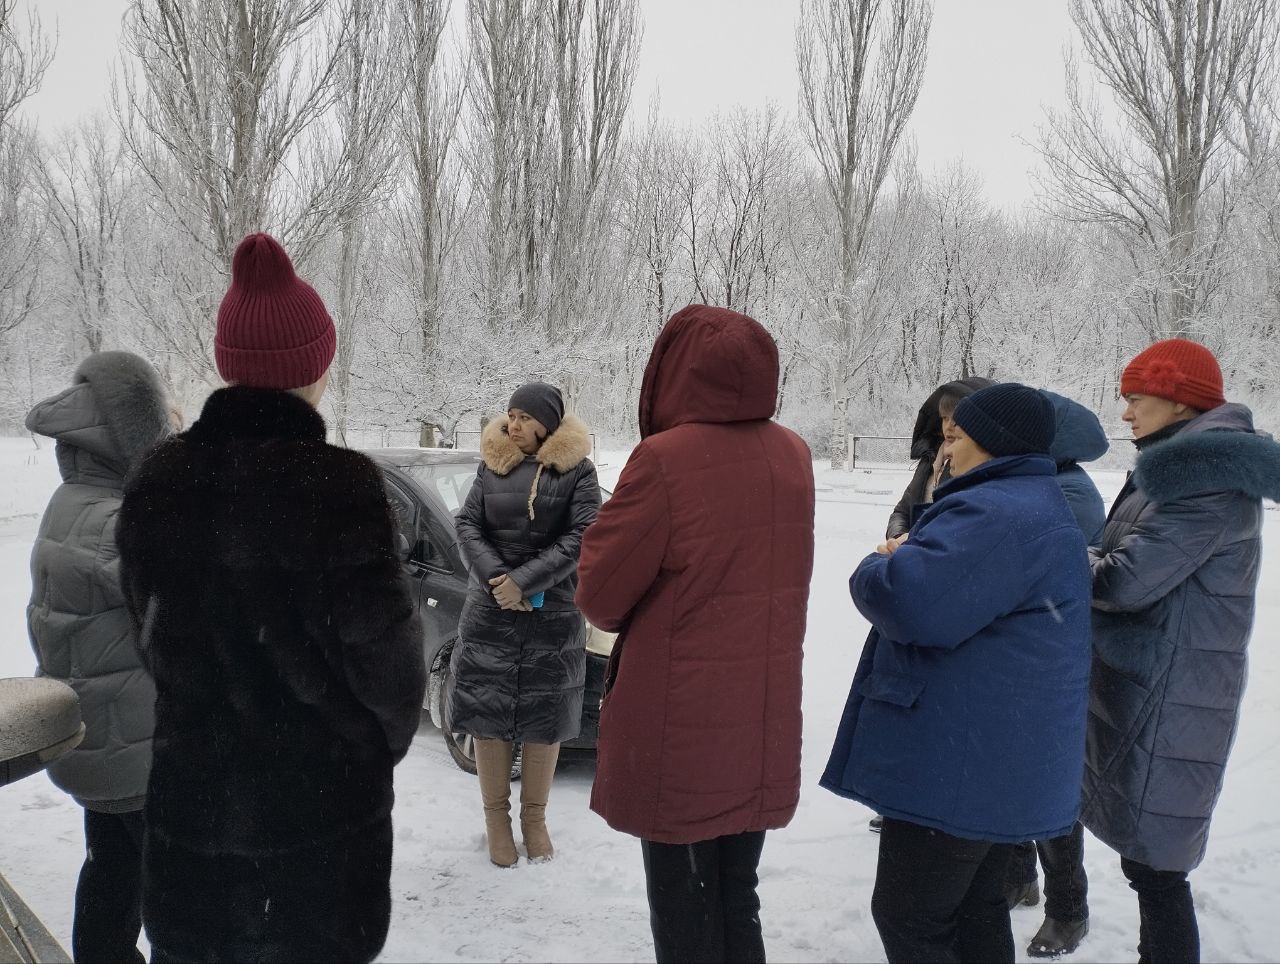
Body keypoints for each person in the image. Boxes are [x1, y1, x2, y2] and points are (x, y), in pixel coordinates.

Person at [117, 232, 426, 963]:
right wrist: (367, 747)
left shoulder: (157, 481)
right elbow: (390, 669)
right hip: (317, 832)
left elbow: (148, 633)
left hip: (194, 817)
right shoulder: (342, 488)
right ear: (314, 366)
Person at [576, 304, 815, 964]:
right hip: (758, 720)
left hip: (681, 726)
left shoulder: (664, 460)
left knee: (683, 908)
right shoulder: (793, 454)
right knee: (737, 894)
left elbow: (600, 595)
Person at [822, 383, 1092, 964]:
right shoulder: (1029, 503)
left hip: (960, 760)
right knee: (974, 909)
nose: (946, 451)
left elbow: (909, 604)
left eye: (955, 437)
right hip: (994, 752)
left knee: (910, 915)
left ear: (992, 443)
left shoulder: (995, 512)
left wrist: (879, 562)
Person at [1075, 338, 1280, 964]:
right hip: (1156, 682)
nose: (1127, 414)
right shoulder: (1173, 469)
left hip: (1170, 693)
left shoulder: (1202, 482)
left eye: (1137, 399)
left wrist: (1049, 550)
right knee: (1151, 865)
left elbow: (1123, 580)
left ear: (1179, 400)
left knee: (1157, 870)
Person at [26, 352, 174, 964]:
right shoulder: (117, 522)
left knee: (110, 876)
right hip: (136, 754)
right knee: (173, 900)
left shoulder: (70, 503)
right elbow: (180, 622)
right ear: (131, 440)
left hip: (97, 742)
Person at [448, 382, 601, 868]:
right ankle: (497, 821)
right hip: (491, 613)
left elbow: (585, 534)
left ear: (547, 422)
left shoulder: (578, 471)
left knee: (544, 719)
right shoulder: (491, 464)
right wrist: (499, 580)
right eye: (509, 415)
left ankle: (534, 820)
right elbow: (467, 525)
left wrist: (526, 581)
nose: (512, 425)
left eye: (522, 417)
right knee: (489, 716)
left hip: (551, 615)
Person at [1003, 390, 1108, 954]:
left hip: (1052, 660)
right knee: (1018, 768)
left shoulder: (1065, 491)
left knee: (1049, 781)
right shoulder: (1047, 483)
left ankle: (1070, 906)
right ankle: (1020, 876)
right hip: (1029, 654)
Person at [886, 376, 995, 540]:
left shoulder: (980, 467)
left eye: (958, 418)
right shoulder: (929, 458)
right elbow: (901, 511)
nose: (949, 425)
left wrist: (916, 544)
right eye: (945, 417)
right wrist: (899, 538)